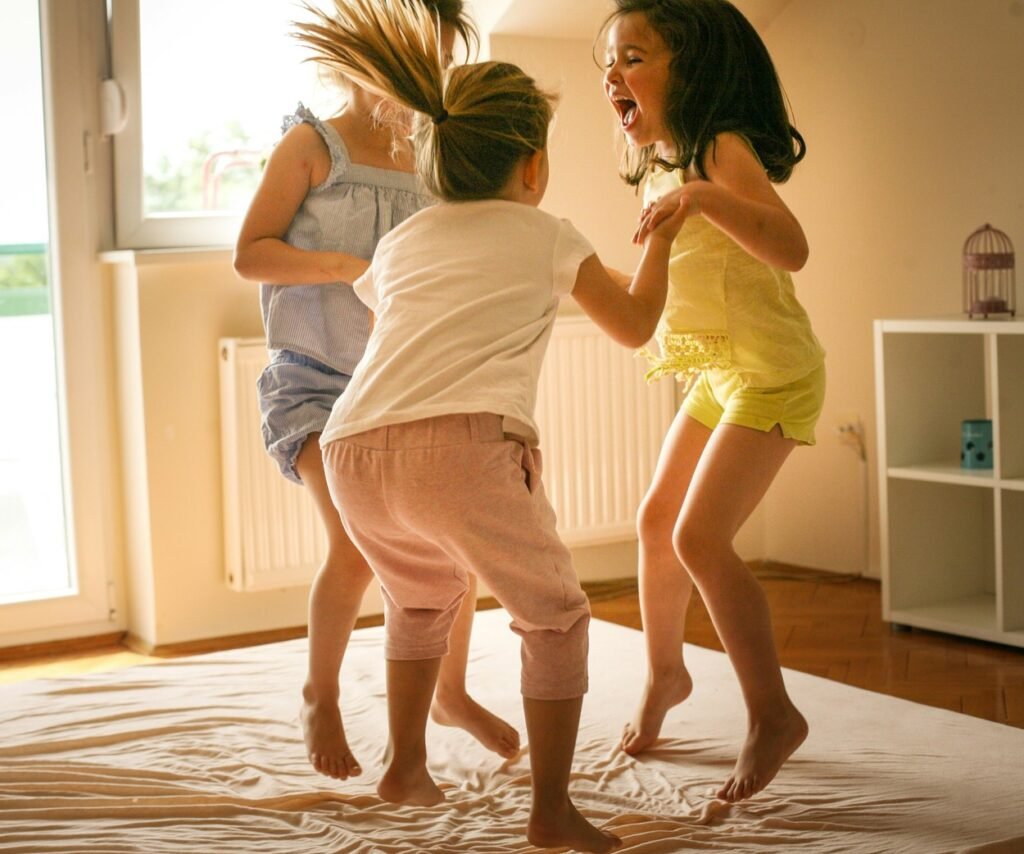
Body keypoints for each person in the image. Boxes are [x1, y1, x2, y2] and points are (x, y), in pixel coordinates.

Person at [300, 0, 690, 849]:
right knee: (553, 616)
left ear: (435, 165)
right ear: (534, 167)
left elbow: (392, 321)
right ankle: (551, 813)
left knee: (419, 599)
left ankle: (405, 768)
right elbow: (633, 325)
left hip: (354, 447)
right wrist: (663, 233)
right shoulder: (544, 230)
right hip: (461, 445)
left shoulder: (403, 242)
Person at [232, 0, 521, 783]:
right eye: (406, 62)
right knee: (358, 546)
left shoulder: (437, 150)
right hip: (315, 383)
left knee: (448, 548)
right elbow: (249, 255)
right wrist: (344, 267)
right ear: (365, 55)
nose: (417, 81)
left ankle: (449, 693)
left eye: (432, 62)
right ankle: (319, 694)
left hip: (406, 383)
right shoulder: (311, 145)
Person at [601, 0, 826, 803]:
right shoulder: (661, 162)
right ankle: (667, 675)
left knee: (700, 538)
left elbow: (790, 248)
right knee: (657, 520)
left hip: (774, 372)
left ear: (686, 66)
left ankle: (773, 714)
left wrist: (702, 198)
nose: (613, 73)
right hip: (724, 372)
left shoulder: (715, 151)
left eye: (633, 56)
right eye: (610, 61)